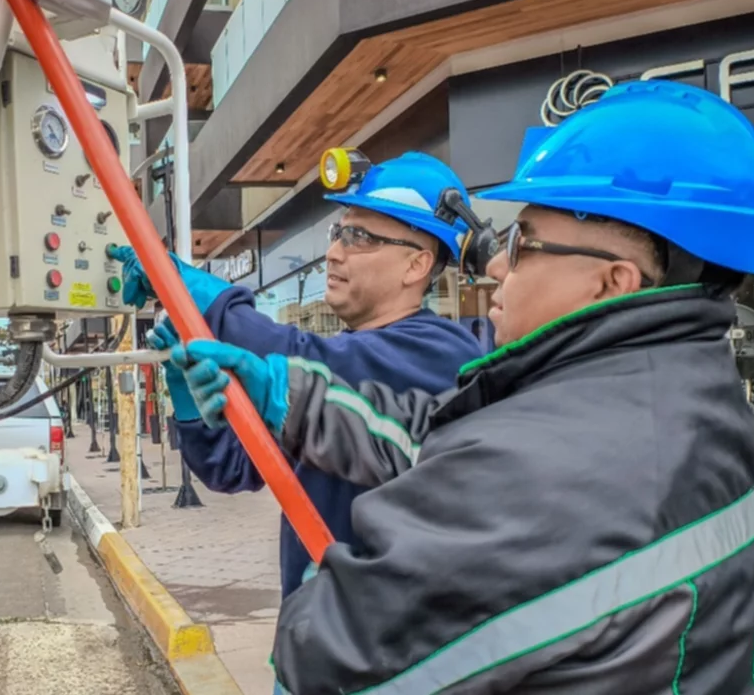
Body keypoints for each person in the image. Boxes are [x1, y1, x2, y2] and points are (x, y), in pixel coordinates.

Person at [168, 80, 754, 693]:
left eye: (523, 245)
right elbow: (431, 435)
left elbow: (335, 655)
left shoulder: (556, 467)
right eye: (337, 233)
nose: (493, 267)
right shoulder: (695, 405)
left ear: (613, 282)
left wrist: (316, 587)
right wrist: (284, 397)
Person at [107, 152, 483, 606]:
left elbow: (314, 360)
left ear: (417, 266)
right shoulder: (344, 354)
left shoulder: (439, 352)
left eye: (359, 237)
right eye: (338, 232)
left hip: (386, 647)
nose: (334, 252)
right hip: (317, 637)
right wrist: (187, 395)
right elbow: (233, 469)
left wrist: (204, 295)